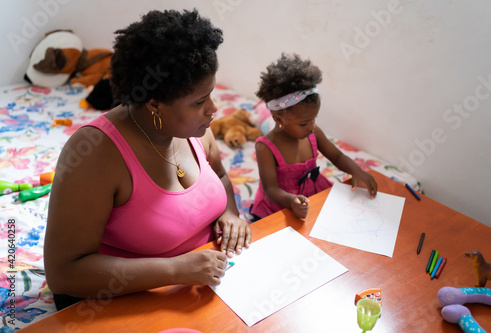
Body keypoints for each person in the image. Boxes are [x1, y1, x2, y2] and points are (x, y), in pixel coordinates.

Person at [44, 9, 251, 310]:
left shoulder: (197, 129)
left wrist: (229, 213)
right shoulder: (94, 155)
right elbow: (64, 273)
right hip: (126, 302)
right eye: (199, 101)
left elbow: (218, 176)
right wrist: (174, 269)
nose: (214, 108)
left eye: (211, 94)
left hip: (206, 289)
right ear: (154, 103)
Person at [250, 53, 378, 220]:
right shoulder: (265, 147)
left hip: (313, 192)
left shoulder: (313, 133)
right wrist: (292, 201)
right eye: (304, 123)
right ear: (278, 119)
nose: (312, 126)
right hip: (283, 204)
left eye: (314, 118)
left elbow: (337, 156)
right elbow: (271, 190)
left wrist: (357, 171)